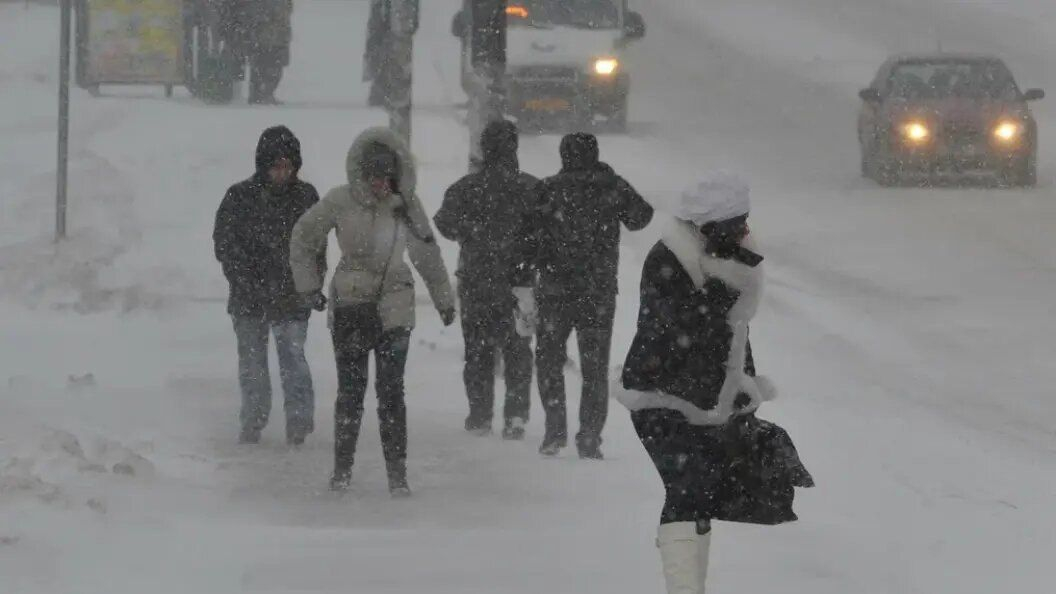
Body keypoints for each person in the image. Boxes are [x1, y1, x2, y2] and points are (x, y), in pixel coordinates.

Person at [617, 174, 813, 594]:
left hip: (704, 402)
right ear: (711, 226)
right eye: (738, 224)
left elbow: (732, 340)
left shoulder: (717, 260)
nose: (746, 232)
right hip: (664, 401)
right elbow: (679, 334)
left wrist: (743, 393)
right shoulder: (673, 262)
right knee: (686, 492)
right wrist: (725, 289)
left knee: (696, 495)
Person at [289, 127, 456, 496]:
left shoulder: (407, 207)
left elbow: (427, 253)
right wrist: (308, 286)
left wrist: (444, 298)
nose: (379, 185)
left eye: (386, 178)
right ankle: (342, 471)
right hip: (351, 307)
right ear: (361, 175)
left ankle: (397, 476)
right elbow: (303, 237)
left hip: (395, 311)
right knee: (350, 392)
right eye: (373, 177)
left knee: (391, 393)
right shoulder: (339, 201)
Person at [532, 132, 654, 459]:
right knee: (595, 368)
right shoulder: (609, 187)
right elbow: (642, 217)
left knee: (548, 360)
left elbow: (528, 236)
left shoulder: (548, 190)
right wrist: (610, 181)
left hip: (554, 291)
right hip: (596, 292)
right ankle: (589, 437)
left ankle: (554, 429)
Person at [213, 126, 325, 446]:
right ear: (263, 165)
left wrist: (310, 285)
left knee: (293, 359)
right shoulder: (239, 197)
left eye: (287, 166)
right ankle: (253, 420)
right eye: (275, 166)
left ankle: (299, 423)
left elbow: (316, 248)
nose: (282, 173)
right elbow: (225, 244)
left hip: (292, 295)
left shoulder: (306, 197)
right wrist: (246, 280)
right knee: (252, 365)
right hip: (249, 298)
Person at [435, 121, 539, 439]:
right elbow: (549, 231)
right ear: (515, 147)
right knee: (518, 351)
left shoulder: (466, 188)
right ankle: (516, 415)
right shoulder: (532, 188)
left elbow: (444, 222)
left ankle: (480, 414)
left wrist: (472, 233)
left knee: (478, 351)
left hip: (477, 281)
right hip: (519, 283)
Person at [222, 0, 293, 104]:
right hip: (263, 26)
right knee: (266, 58)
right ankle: (260, 93)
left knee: (269, 58)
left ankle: (261, 93)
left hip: (270, 27)